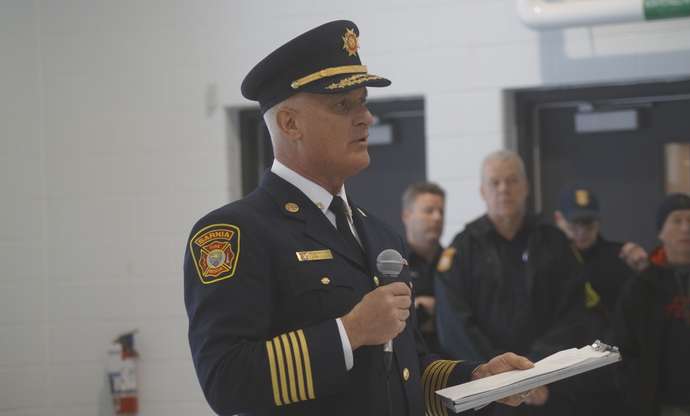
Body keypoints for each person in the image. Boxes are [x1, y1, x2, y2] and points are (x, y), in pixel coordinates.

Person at [184, 20, 534, 416]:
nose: (366, 118)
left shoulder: (379, 234)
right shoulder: (238, 232)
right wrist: (349, 332)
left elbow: (406, 373)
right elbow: (225, 381)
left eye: (363, 102)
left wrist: (477, 379)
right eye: (343, 105)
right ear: (290, 123)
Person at [435, 150, 586, 412]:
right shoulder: (462, 249)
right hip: (487, 393)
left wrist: (535, 371)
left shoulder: (554, 243)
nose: (504, 189)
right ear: (483, 191)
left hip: (548, 388)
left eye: (512, 180)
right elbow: (454, 323)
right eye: (495, 182)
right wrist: (498, 375)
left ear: (526, 187)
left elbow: (573, 312)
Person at [614, 194, 690, 416]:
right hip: (659, 407)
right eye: (677, 221)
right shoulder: (641, 287)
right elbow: (624, 349)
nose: (686, 228)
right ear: (660, 232)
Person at [553, 186, 644, 416]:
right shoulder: (547, 264)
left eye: (588, 224)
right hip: (560, 381)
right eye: (574, 224)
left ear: (599, 223)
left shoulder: (620, 259)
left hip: (609, 380)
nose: (582, 231)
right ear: (558, 220)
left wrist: (644, 268)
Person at [401, 182, 446, 354]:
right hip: (411, 360)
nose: (437, 218)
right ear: (407, 215)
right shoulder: (395, 264)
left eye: (441, 212)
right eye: (429, 211)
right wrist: (417, 308)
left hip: (455, 362)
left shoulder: (456, 262)